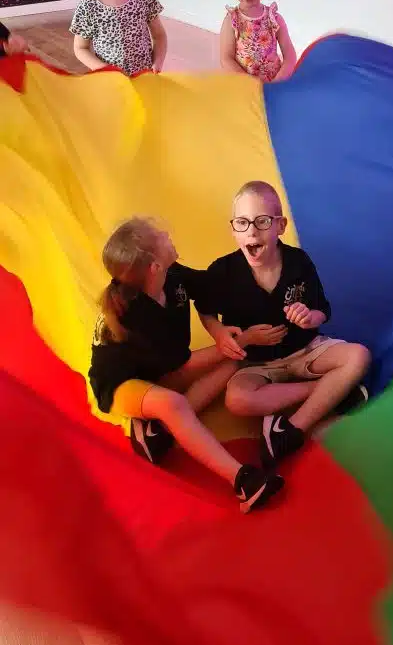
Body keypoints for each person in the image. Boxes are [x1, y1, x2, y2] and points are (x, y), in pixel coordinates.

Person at [88, 217, 284, 512]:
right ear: (154, 266)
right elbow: (185, 363)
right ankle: (243, 481)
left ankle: (158, 433)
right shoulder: (136, 316)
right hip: (120, 384)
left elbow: (208, 290)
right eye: (161, 236)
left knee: (237, 363)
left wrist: (221, 330)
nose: (168, 234)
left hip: (156, 369)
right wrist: (244, 339)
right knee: (173, 404)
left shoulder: (172, 275)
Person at [195, 181, 371, 468]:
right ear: (233, 229)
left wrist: (310, 317)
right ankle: (330, 391)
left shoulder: (298, 262)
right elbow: (205, 310)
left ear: (281, 226)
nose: (252, 231)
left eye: (263, 221)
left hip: (305, 352)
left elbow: (322, 310)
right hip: (257, 364)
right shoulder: (222, 271)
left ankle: (290, 431)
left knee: (358, 356)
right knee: (236, 400)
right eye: (242, 222)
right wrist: (219, 332)